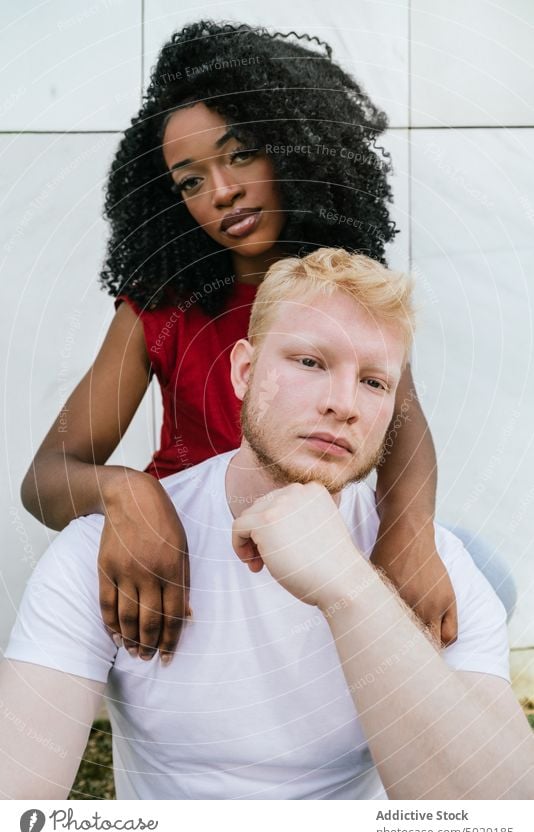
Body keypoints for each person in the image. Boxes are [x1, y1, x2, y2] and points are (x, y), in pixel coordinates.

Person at [2, 248, 532, 800]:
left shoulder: (435, 567)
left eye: (375, 382)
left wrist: (348, 588)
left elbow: (501, 818)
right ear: (244, 371)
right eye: (310, 362)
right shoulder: (103, 553)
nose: (343, 403)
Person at [21, 20, 455, 664]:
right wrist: (127, 494)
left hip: (311, 543)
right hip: (186, 560)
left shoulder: (348, 290)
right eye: (189, 181)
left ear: (298, 148)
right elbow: (45, 480)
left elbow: (403, 430)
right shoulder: (160, 304)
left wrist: (410, 530)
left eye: (241, 152)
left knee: (480, 582)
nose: (221, 191)